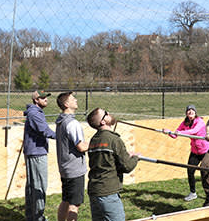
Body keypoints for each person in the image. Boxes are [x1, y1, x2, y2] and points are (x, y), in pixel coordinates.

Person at [86, 108, 139, 221]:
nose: (109, 113)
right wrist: (135, 158)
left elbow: (107, 161)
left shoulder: (94, 140)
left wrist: (124, 155)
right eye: (105, 113)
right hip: (108, 192)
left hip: (94, 190)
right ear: (102, 122)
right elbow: (127, 166)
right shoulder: (114, 139)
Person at [162, 104, 209, 202]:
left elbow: (194, 131)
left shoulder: (200, 121)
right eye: (188, 110)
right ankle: (193, 193)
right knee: (190, 171)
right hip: (194, 151)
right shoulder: (185, 123)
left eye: (192, 110)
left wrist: (180, 133)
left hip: (205, 150)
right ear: (186, 113)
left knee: (206, 172)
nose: (190, 112)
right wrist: (169, 132)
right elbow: (176, 134)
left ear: (195, 112)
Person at [55, 92, 89, 221]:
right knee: (74, 205)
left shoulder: (60, 121)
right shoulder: (72, 123)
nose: (76, 100)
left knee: (66, 200)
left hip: (65, 168)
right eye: (72, 99)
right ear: (66, 104)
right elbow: (81, 147)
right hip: (74, 170)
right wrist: (96, 143)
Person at [23, 90, 56, 221]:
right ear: (36, 100)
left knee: (33, 185)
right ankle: (38, 218)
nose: (46, 99)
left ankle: (31, 217)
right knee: (38, 186)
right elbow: (44, 130)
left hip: (35, 151)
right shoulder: (34, 114)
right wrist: (61, 136)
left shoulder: (35, 112)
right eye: (42, 98)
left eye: (46, 97)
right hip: (36, 153)